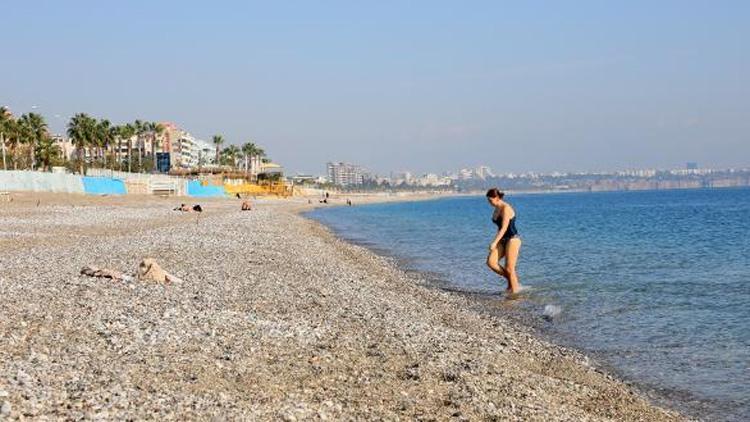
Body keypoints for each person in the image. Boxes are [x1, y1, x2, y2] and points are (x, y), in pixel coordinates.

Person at [485, 188, 522, 294]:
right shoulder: (496, 208)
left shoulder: (506, 208)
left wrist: (494, 242)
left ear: (497, 198)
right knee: (491, 262)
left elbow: (504, 228)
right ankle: (512, 281)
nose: (489, 203)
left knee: (509, 268)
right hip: (502, 239)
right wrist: (497, 241)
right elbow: (499, 227)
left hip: (513, 239)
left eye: (490, 200)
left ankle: (514, 295)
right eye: (488, 200)